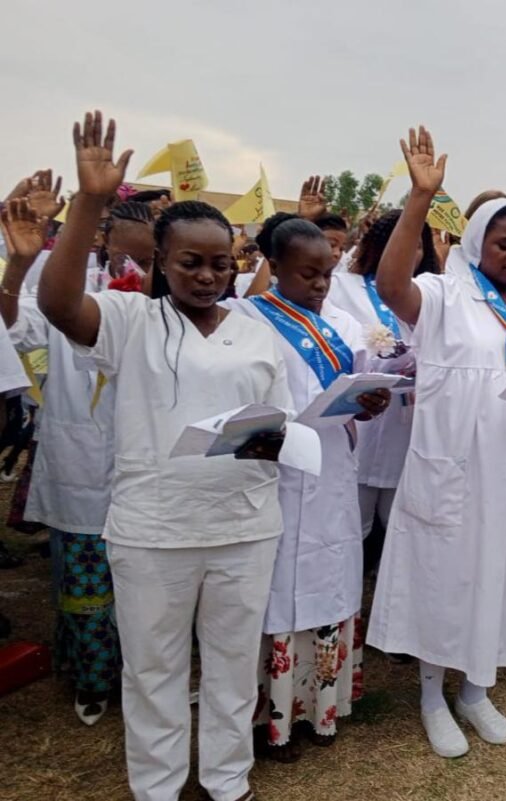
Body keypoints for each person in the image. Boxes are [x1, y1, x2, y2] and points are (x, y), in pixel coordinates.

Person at [39, 111, 296, 801]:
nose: (208, 275)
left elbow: (281, 420)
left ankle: (226, 778)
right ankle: (156, 785)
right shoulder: (131, 321)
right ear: (160, 260)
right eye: (190, 261)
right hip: (155, 532)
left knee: (233, 665)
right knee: (152, 669)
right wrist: (89, 202)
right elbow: (59, 305)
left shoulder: (256, 331)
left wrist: (279, 435)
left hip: (244, 528)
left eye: (221, 262)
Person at [366, 127, 506, 758]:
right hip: (457, 463)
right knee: (447, 575)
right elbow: (390, 288)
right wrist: (418, 197)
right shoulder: (444, 294)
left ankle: (477, 689)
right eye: (505, 244)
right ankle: (434, 693)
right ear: (476, 243)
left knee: (501, 573)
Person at [226, 212, 388, 761]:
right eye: (306, 275)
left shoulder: (341, 322)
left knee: (331, 578)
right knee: (278, 589)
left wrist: (370, 403)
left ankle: (323, 703)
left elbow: (352, 395)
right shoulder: (245, 318)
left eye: (326, 273)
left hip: (334, 469)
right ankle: (272, 718)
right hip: (276, 473)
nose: (319, 285)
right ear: (273, 269)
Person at [1, 195, 154, 725]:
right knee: (84, 588)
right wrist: (19, 266)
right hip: (80, 471)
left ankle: (140, 678)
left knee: (146, 592)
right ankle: (92, 678)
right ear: (104, 244)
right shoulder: (69, 298)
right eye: (125, 257)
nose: (133, 270)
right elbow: (14, 330)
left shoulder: (170, 312)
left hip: (146, 478)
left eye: (148, 260)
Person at [328, 210, 437, 553]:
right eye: (399, 243)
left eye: (417, 246)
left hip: (407, 422)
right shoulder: (343, 286)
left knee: (401, 521)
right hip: (362, 415)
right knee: (350, 519)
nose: (409, 253)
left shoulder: (434, 293)